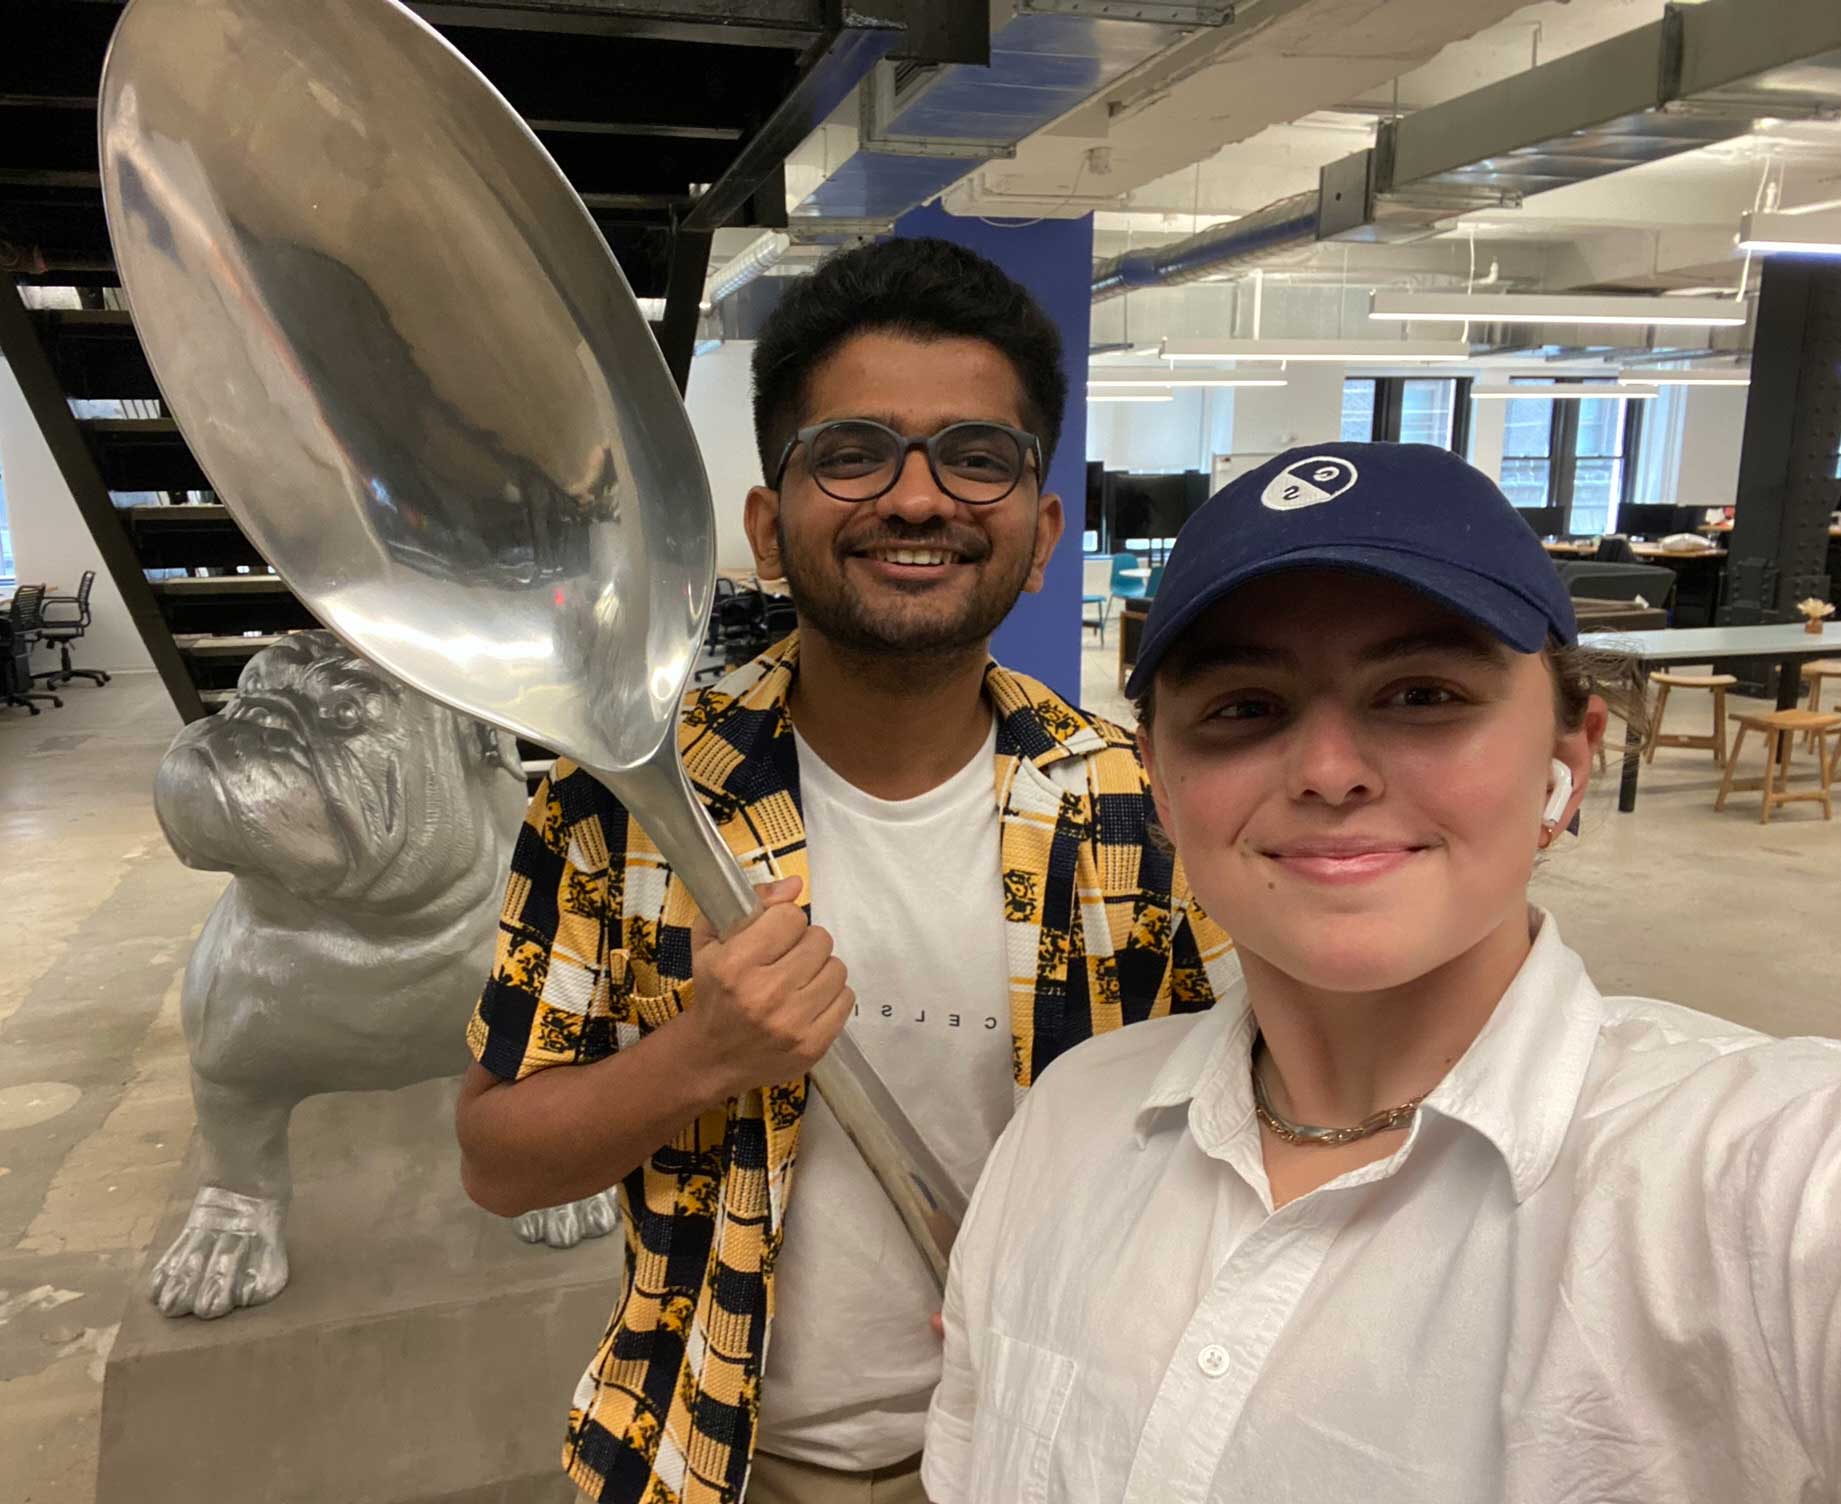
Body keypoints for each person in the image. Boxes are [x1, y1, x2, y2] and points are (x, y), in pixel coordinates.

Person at [455, 236, 1235, 1504]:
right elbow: (499, 1162)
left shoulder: (1141, 815)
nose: (917, 499)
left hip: (1044, 1452)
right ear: (768, 527)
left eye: (976, 457)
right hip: (713, 1456)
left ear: (1041, 533)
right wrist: (700, 1055)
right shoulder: (618, 807)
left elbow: (1241, 1138)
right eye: (852, 453)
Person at [924, 442, 1841, 1504]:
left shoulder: (1756, 1173)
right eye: (1243, 707)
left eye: (1420, 694)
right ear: (1162, 788)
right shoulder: (1071, 1121)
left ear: (1569, 758)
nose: (1328, 772)